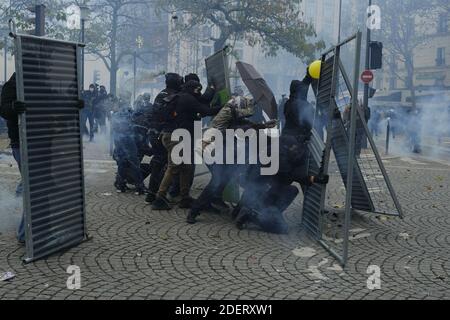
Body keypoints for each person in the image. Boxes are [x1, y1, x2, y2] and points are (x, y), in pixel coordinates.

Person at [186, 96, 277, 224]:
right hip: (215, 154)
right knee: (216, 183)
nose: (248, 113)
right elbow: (242, 129)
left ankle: (213, 203)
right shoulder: (229, 122)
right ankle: (194, 210)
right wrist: (261, 127)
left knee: (223, 181)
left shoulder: (235, 119)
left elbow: (247, 126)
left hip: (225, 156)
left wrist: (264, 126)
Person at [152, 80, 222, 210]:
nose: (199, 92)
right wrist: (224, 107)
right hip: (175, 137)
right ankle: (159, 198)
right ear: (192, 89)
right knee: (174, 166)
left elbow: (203, 98)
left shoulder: (184, 96)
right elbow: (206, 110)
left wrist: (211, 88)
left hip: (175, 135)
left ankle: (185, 198)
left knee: (187, 166)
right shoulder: (187, 99)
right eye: (197, 90)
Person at [145, 73, 185, 204]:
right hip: (160, 133)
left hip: (155, 132)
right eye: (180, 82)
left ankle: (152, 193)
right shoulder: (170, 96)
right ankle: (155, 194)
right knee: (161, 162)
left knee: (159, 162)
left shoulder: (162, 93)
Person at [0, 73, 26, 243]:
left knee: (30, 182)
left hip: (42, 141)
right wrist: (12, 107)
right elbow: (3, 109)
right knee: (34, 185)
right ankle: (25, 234)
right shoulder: (12, 84)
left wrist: (73, 106)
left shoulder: (40, 80)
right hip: (21, 141)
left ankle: (16, 201)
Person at [111, 99, 146, 195]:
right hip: (128, 140)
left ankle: (121, 186)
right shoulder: (129, 114)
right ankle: (140, 187)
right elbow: (134, 127)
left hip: (118, 141)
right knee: (134, 163)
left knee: (122, 163)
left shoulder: (115, 116)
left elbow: (113, 130)